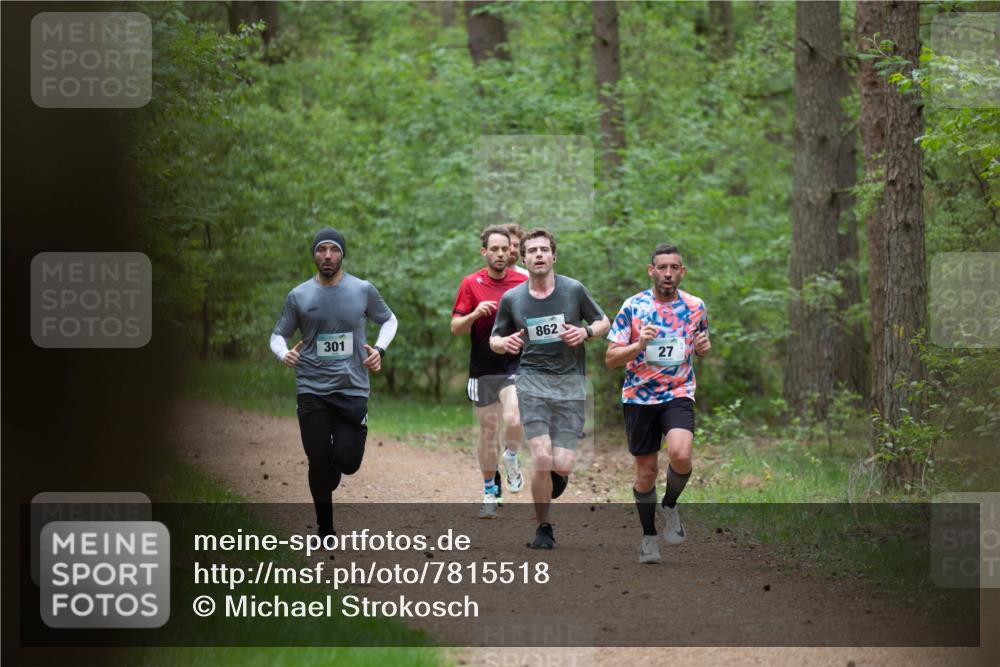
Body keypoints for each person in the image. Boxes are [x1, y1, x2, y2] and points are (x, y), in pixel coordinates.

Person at [270, 227, 398, 537]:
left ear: (342, 254)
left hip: (352, 388)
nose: (328, 255)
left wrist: (379, 350)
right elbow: (278, 335)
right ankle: (325, 528)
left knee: (347, 461)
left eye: (334, 250)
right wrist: (283, 353)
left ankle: (335, 467)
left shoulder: (363, 289)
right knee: (317, 459)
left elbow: (389, 320)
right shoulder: (299, 295)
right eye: (321, 250)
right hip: (311, 389)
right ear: (314, 254)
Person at [490, 229, 610, 549]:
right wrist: (507, 342)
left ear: (553, 256)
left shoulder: (573, 290)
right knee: (541, 456)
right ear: (524, 258)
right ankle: (544, 527)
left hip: (570, 384)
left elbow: (604, 322)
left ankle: (554, 477)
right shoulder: (512, 298)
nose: (539, 255)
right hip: (531, 382)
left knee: (563, 464)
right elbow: (495, 339)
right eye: (533, 251)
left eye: (545, 249)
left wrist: (585, 333)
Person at [605, 243, 710, 564]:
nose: (667, 273)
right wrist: (639, 344)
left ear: (682, 272)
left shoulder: (695, 306)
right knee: (647, 472)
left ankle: (670, 504)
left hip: (678, 393)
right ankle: (649, 537)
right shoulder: (633, 306)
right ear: (651, 271)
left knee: (680, 453)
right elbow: (610, 358)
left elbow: (701, 343)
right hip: (638, 396)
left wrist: (705, 347)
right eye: (661, 267)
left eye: (673, 267)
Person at [451, 226, 528, 519]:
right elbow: (455, 328)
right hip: (483, 368)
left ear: (511, 251)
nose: (499, 254)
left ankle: (511, 456)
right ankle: (489, 492)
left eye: (504, 249)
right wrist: (474, 314)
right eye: (493, 249)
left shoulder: (523, 281)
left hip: (515, 364)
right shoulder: (471, 283)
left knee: (514, 416)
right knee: (487, 431)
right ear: (484, 252)